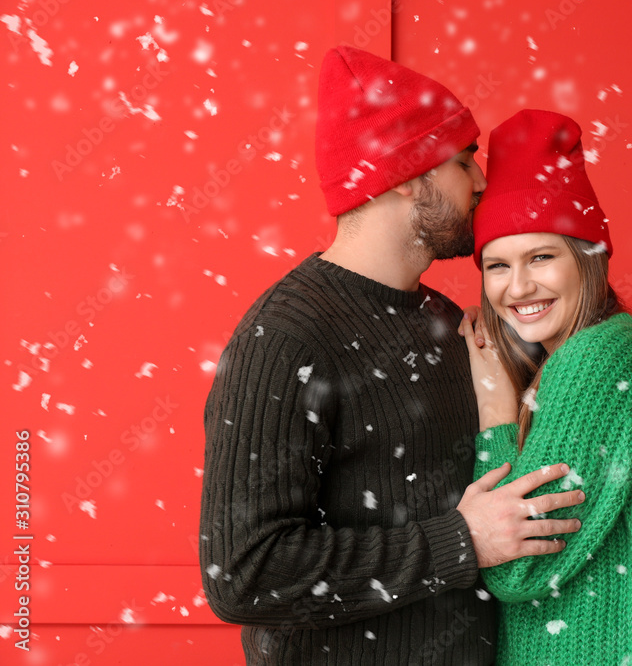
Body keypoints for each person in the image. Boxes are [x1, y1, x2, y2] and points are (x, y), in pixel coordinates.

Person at [199, 48, 585, 665]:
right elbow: (244, 574)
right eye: (463, 163)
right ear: (409, 175)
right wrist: (461, 540)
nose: (483, 182)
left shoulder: (444, 320)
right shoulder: (284, 340)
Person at [458, 109, 632, 665]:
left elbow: (519, 566)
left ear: (588, 260)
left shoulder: (597, 355)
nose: (518, 287)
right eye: (497, 265)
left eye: (541, 257)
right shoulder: (607, 349)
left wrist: (494, 409)